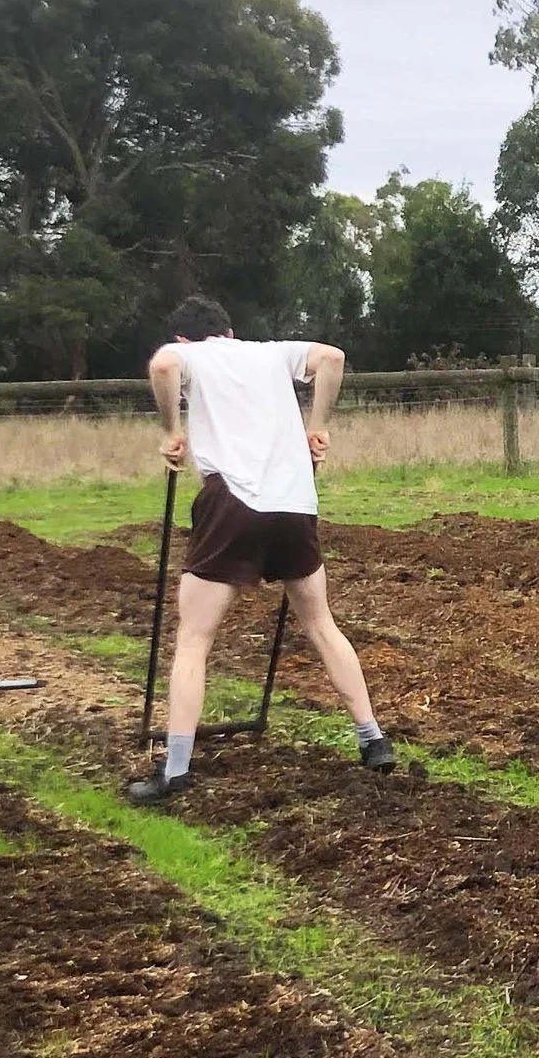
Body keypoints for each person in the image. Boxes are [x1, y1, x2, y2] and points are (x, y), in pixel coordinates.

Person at [126, 295, 392, 804]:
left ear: (186, 338)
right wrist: (318, 425)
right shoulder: (272, 352)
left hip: (233, 502)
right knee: (320, 623)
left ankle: (176, 770)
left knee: (195, 637)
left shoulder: (189, 356)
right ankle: (372, 739)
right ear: (229, 330)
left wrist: (171, 430)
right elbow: (332, 357)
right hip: (295, 503)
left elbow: (161, 366)